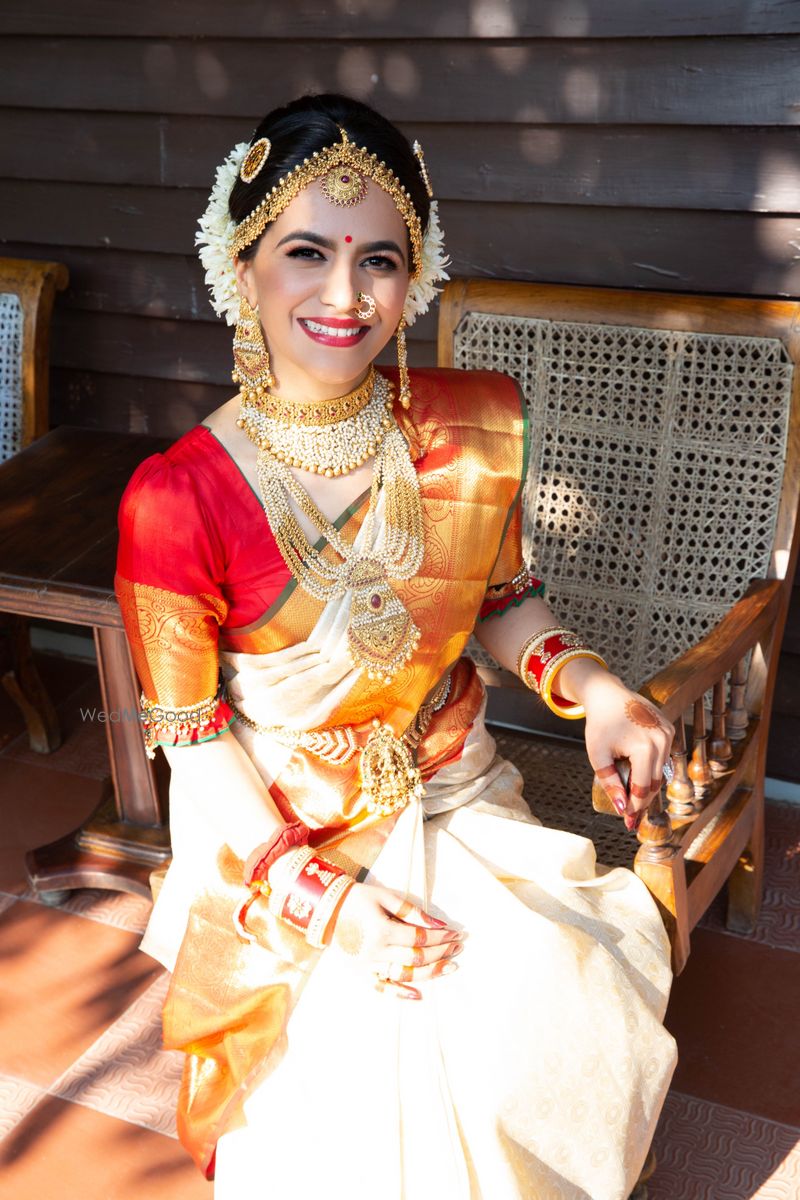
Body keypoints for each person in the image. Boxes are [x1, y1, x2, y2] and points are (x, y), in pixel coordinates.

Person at [115, 93, 677, 1200]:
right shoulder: (175, 498)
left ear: (414, 276)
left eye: (379, 260)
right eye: (305, 253)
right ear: (241, 264)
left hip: (450, 791)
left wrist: (600, 691)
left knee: (538, 1030)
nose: (343, 294)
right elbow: (194, 737)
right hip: (276, 833)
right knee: (358, 1105)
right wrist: (326, 904)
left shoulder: (465, 430)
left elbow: (506, 601)